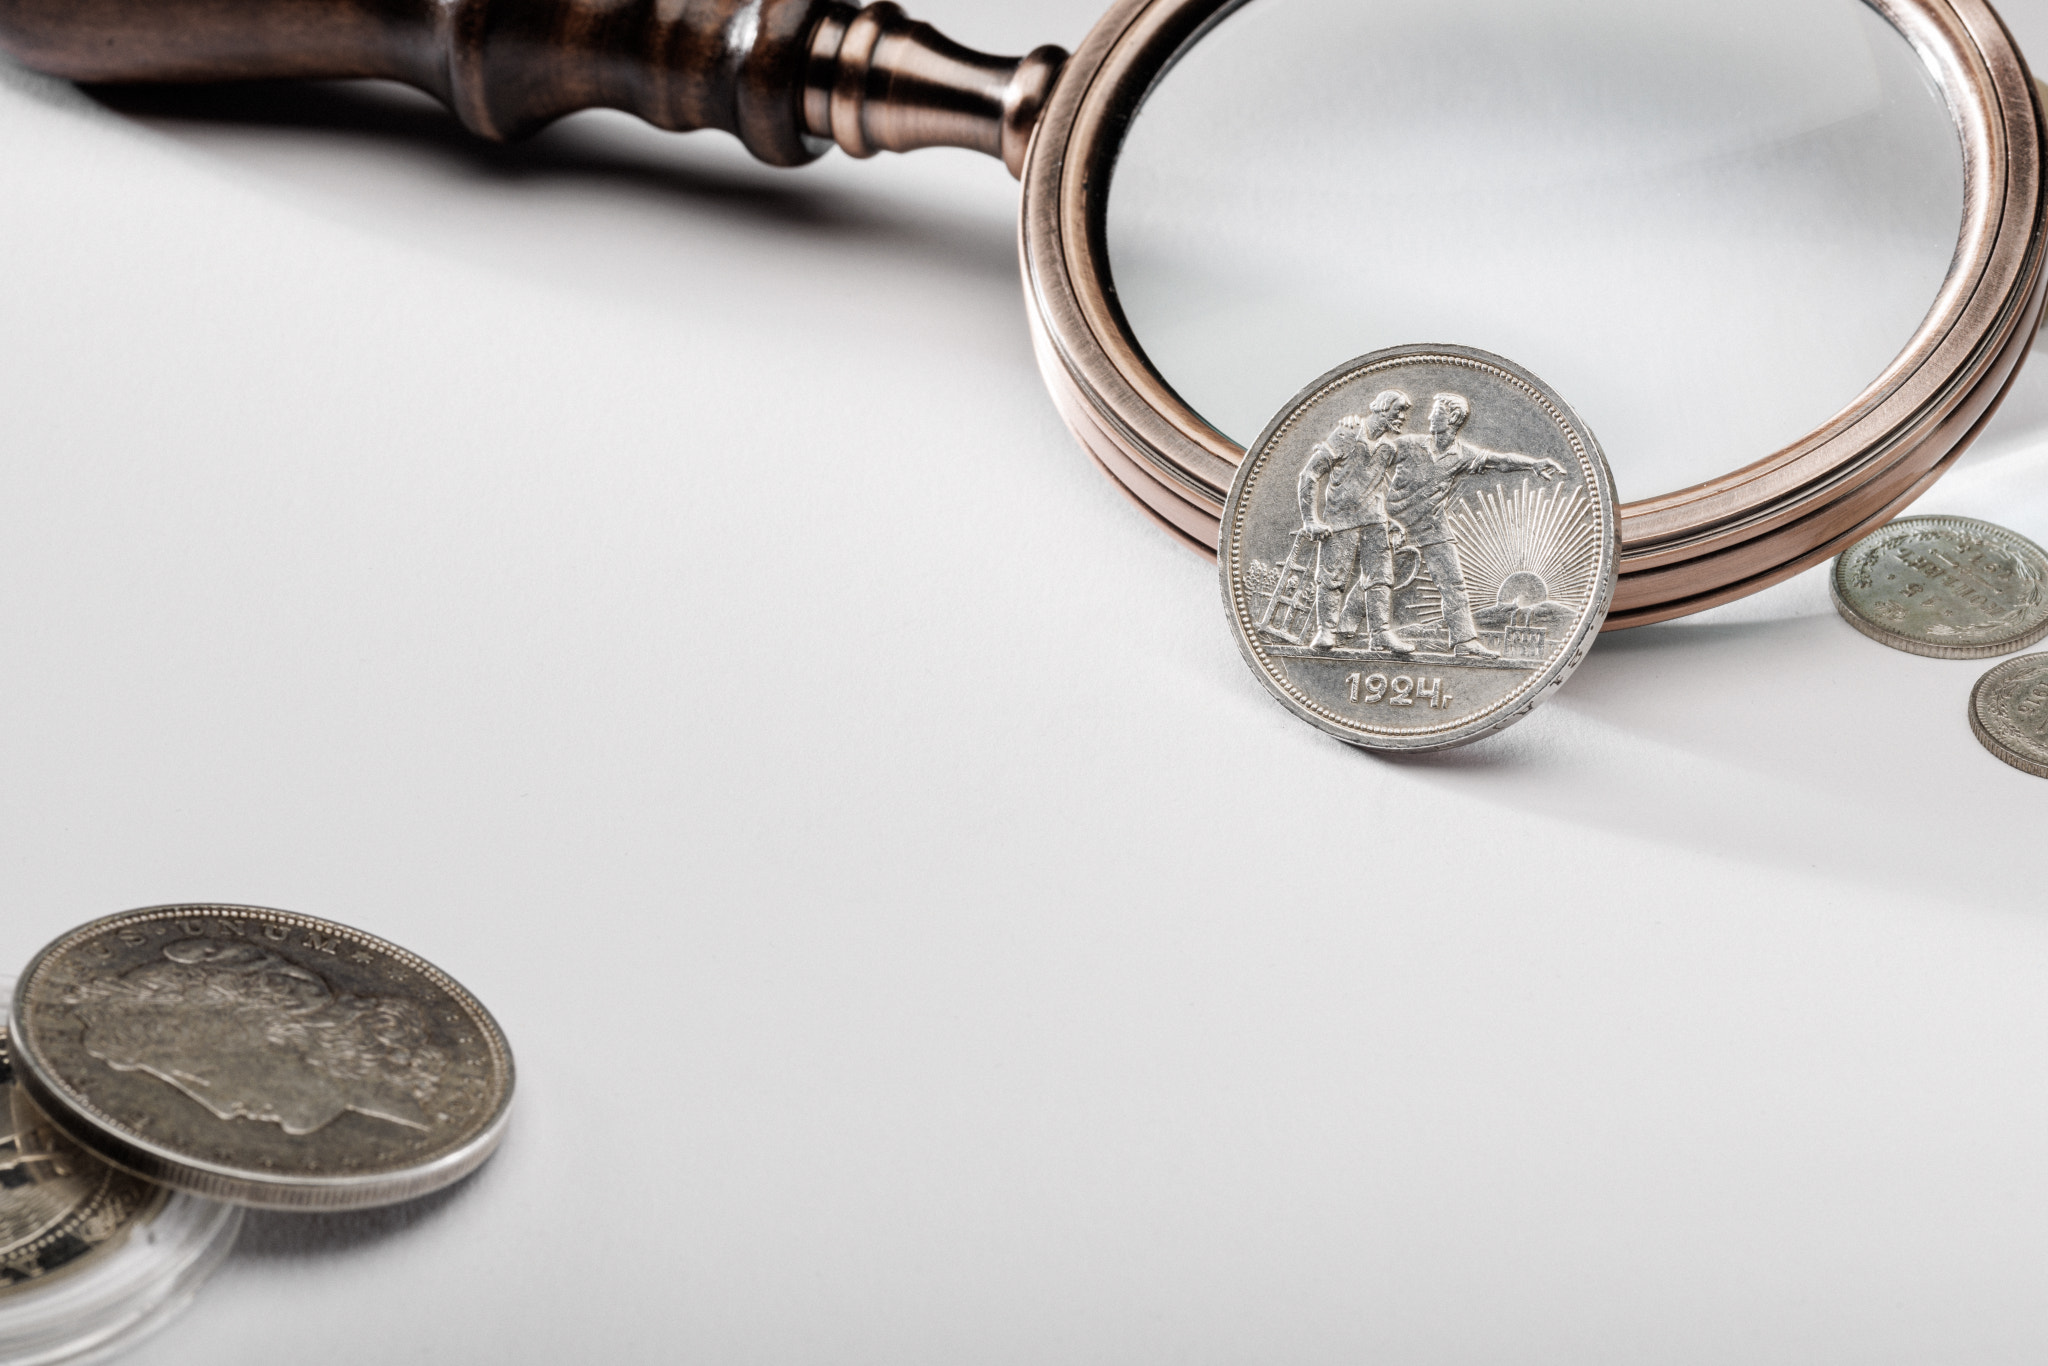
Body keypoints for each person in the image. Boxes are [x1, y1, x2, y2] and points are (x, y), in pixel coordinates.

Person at [1384, 392, 1566, 657]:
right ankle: (1343, 629)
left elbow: (1500, 461)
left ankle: (1464, 641)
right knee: (1376, 579)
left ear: (1453, 418)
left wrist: (1534, 464)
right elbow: (1372, 460)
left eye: (1437, 412)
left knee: (1453, 583)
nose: (1429, 416)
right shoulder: (1409, 444)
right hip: (1394, 525)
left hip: (1433, 527)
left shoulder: (1462, 454)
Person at [1297, 391, 1415, 652]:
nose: (1403, 417)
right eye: (1399, 411)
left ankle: (1381, 634)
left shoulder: (1388, 448)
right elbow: (1310, 474)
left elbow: (1376, 486)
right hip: (1340, 521)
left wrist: (1389, 519)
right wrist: (1311, 520)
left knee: (1381, 578)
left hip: (1375, 522)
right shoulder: (1347, 433)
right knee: (1331, 577)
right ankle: (1326, 632)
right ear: (1383, 409)